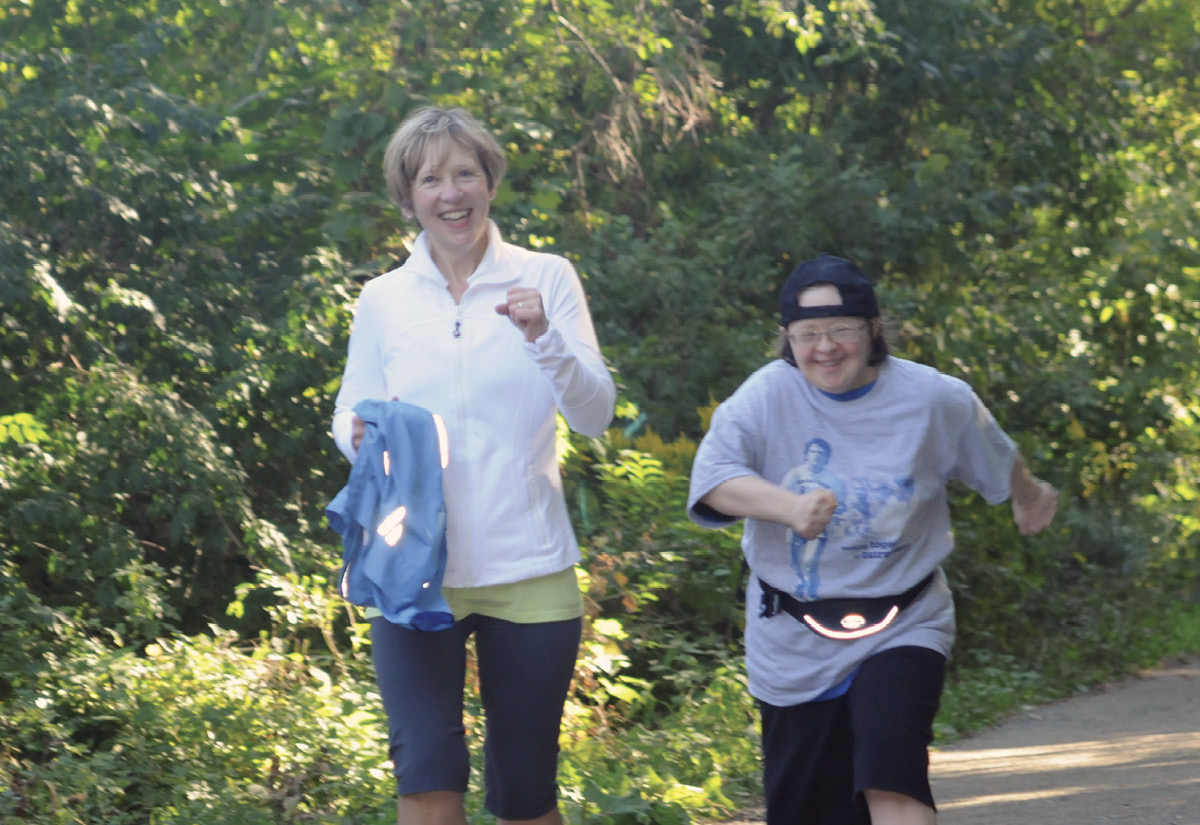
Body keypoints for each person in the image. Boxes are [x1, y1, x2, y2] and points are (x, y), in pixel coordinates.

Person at [686, 253, 1058, 825]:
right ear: (787, 339)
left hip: (905, 618)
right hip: (793, 637)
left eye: (842, 330)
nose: (825, 347)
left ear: (873, 331)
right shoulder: (765, 396)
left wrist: (1029, 496)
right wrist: (789, 508)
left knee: (893, 772)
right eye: (808, 333)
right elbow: (712, 480)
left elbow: (996, 453)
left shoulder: (934, 398)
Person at [331, 106, 616, 825]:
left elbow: (594, 414)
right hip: (413, 569)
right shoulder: (383, 299)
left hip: (529, 568)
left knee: (524, 795)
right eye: (431, 179)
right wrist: (358, 436)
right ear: (409, 195)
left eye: (465, 173)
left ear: (490, 183)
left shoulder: (546, 277)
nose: (450, 193)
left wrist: (542, 337)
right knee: (426, 776)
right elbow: (348, 411)